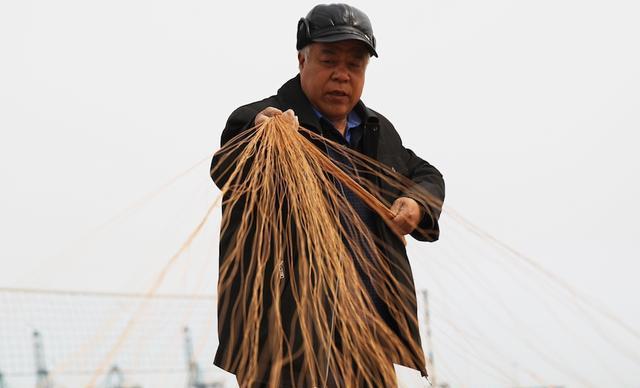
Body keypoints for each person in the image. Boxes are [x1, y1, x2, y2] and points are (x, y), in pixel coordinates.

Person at [210, 4, 445, 387]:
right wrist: (260, 131)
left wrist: (417, 203)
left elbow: (426, 174)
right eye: (329, 59)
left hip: (367, 334)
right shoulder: (267, 123)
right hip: (283, 341)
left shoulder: (375, 132)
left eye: (355, 64)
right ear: (302, 59)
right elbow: (227, 164)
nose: (342, 75)